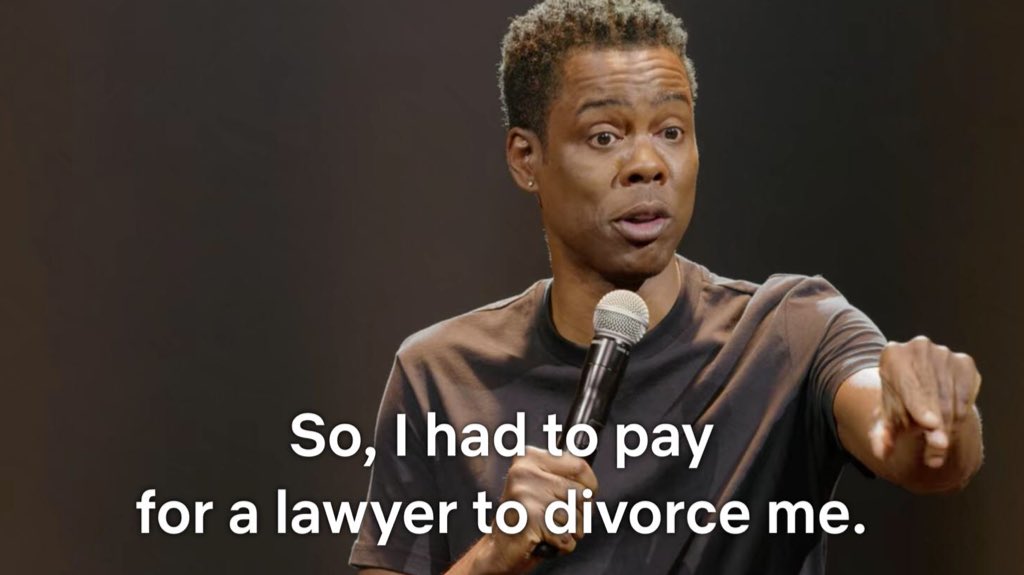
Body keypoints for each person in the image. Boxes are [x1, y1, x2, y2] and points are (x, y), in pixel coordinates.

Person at [349, 1, 984, 573]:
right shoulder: (440, 373)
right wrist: (494, 557)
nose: (649, 164)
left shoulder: (791, 331)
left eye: (671, 131)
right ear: (526, 158)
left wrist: (933, 425)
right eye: (605, 136)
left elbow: (914, 447)